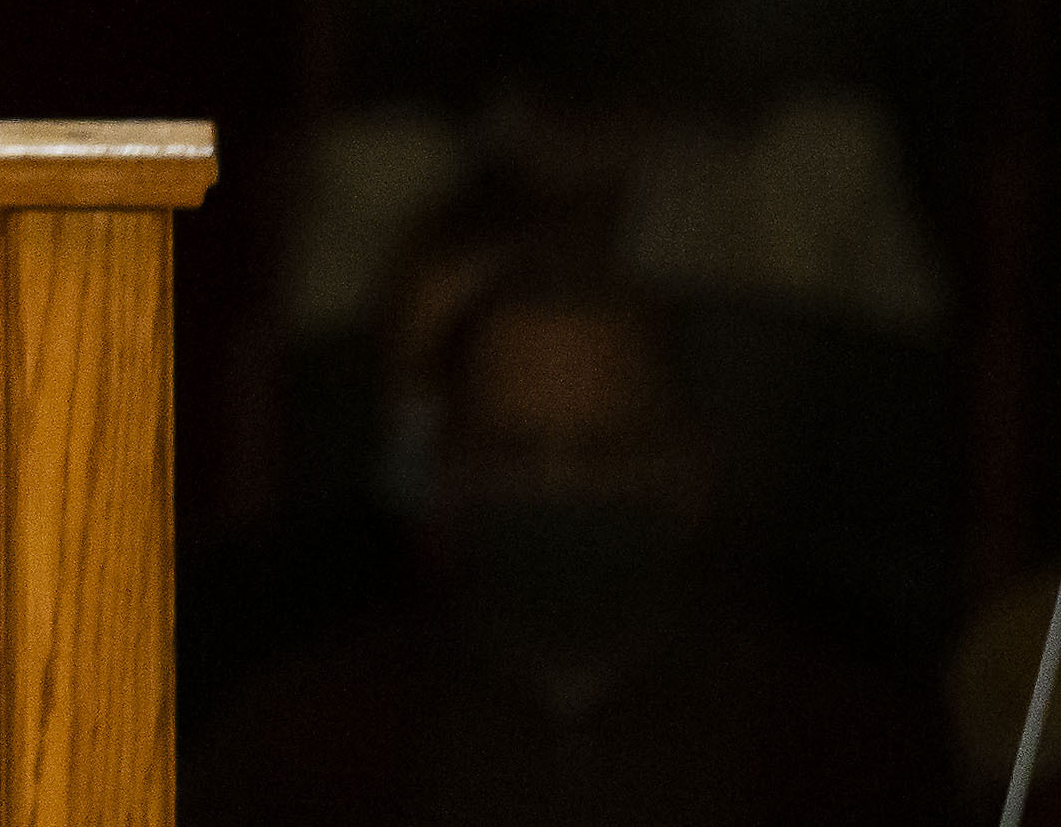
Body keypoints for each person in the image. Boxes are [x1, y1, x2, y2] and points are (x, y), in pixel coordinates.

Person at [192, 259, 950, 824]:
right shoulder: (304, 748)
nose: (559, 490)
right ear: (448, 471)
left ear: (687, 466)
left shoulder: (841, 751)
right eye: (517, 452)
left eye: (603, 451)